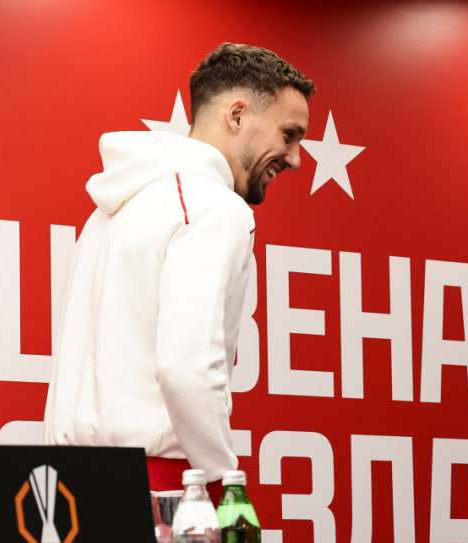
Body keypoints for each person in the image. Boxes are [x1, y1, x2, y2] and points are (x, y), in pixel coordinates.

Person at [44, 43, 315, 495]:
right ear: (237, 115)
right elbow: (186, 367)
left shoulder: (112, 208)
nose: (295, 158)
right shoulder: (214, 207)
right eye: (288, 134)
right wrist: (224, 480)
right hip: (162, 487)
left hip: (69, 486)